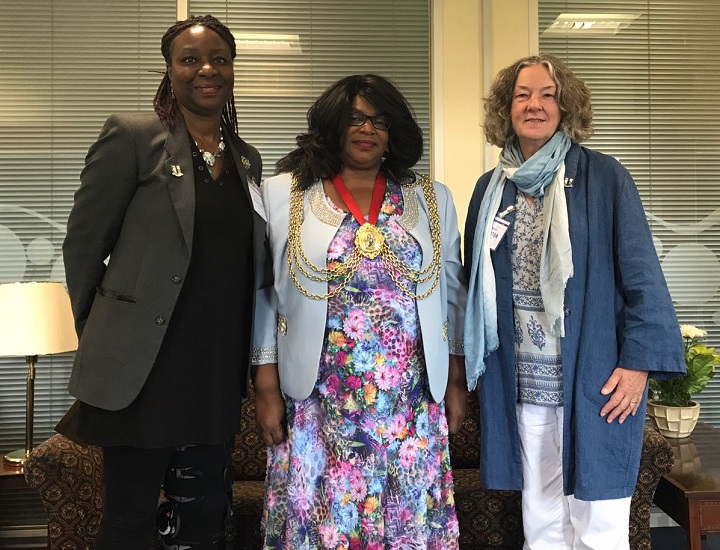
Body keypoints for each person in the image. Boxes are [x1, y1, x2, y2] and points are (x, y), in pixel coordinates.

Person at [58, 14, 266, 550]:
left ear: (232, 68)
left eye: (219, 58)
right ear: (170, 70)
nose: (207, 70)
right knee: (129, 521)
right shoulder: (133, 137)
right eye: (191, 59)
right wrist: (105, 329)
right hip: (141, 371)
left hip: (213, 369)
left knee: (202, 522)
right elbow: (83, 248)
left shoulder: (246, 159)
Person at [463, 53, 685, 550]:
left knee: (599, 525)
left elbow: (643, 279)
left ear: (567, 108)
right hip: (522, 381)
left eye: (547, 94)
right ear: (507, 108)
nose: (535, 104)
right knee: (540, 523)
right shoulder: (489, 190)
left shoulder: (605, 179)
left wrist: (638, 367)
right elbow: (472, 288)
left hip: (596, 380)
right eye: (523, 94)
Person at [251, 74, 467, 549]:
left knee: (407, 522)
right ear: (332, 125)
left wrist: (455, 380)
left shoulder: (432, 199)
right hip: (321, 401)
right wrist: (265, 386)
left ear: (394, 132)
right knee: (328, 524)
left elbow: (452, 295)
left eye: (379, 120)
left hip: (410, 404)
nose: (366, 129)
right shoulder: (284, 195)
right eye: (354, 118)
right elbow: (265, 293)